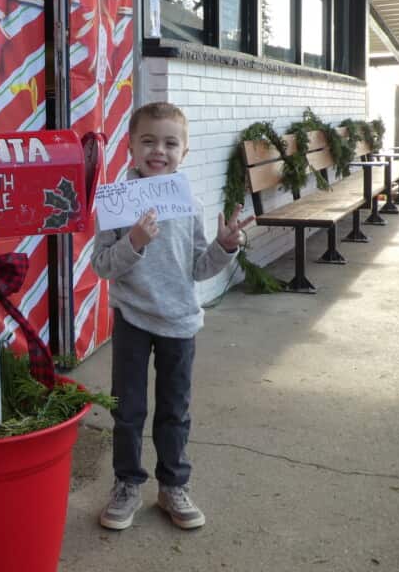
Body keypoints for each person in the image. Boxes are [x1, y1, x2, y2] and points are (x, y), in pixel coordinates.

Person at [92, 101, 252, 532]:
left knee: (174, 410)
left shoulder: (187, 202)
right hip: (132, 318)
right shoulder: (117, 201)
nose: (158, 150)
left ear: (185, 150)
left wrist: (225, 246)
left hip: (180, 321)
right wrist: (135, 241)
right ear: (130, 146)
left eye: (170, 142)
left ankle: (172, 486)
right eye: (148, 141)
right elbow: (102, 265)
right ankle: (127, 483)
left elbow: (199, 267)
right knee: (127, 410)